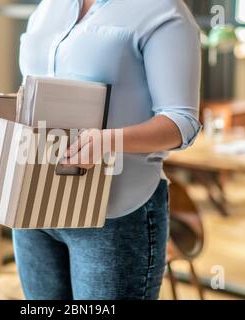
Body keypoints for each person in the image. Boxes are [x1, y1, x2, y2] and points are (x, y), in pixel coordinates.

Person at [13, 0, 201, 300]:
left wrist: (107, 141)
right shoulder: (51, 6)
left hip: (114, 215)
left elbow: (182, 122)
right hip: (35, 204)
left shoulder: (163, 11)